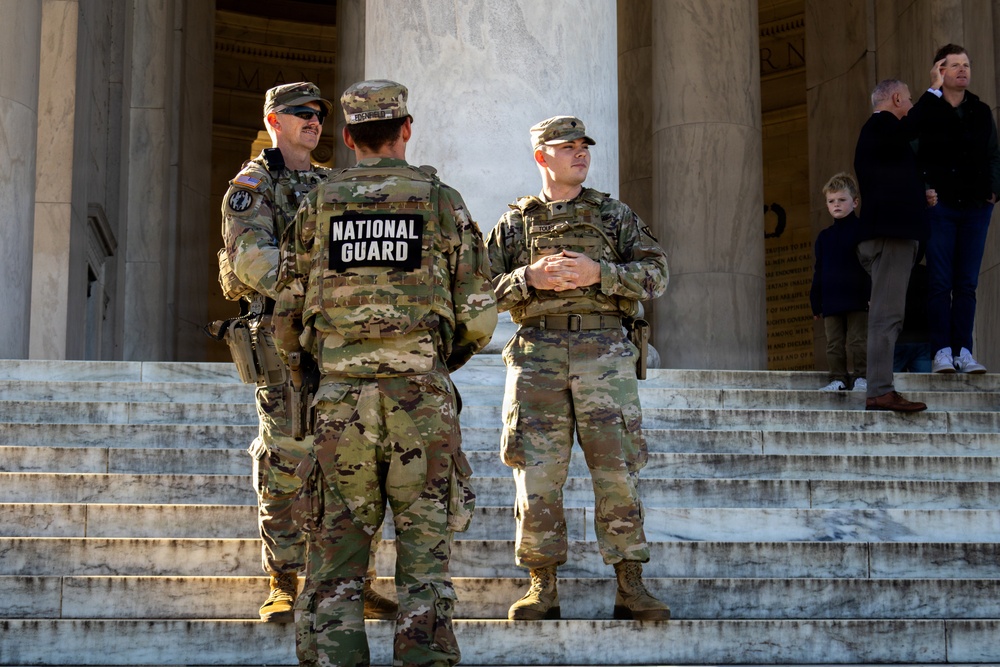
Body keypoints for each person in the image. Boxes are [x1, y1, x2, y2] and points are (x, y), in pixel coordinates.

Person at [272, 79, 498, 667]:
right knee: (425, 565)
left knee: (336, 565)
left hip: (340, 401)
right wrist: (432, 360)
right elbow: (479, 311)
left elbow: (287, 313)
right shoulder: (441, 199)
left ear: (347, 137)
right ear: (406, 130)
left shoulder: (317, 202)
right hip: (421, 399)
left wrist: (322, 369)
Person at [220, 82, 396, 623]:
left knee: (354, 466)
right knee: (285, 463)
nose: (313, 121)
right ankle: (284, 581)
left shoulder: (331, 184)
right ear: (274, 120)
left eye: (319, 114)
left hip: (339, 345)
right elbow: (252, 262)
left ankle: (357, 579)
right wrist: (322, 291)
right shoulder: (252, 186)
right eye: (301, 113)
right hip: (282, 346)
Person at [485, 115, 671, 622]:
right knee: (538, 477)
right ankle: (541, 586)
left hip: (605, 353)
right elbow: (476, 292)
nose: (580, 153)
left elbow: (657, 274)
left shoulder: (614, 216)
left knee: (618, 472)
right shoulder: (514, 225)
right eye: (567, 147)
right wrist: (529, 277)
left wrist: (600, 273)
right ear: (542, 156)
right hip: (536, 355)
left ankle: (630, 584)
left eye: (584, 145)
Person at [913, 44, 1000, 374]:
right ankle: (941, 352)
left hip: (977, 207)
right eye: (955, 65)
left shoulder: (980, 110)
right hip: (941, 207)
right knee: (939, 283)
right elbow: (911, 151)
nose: (963, 70)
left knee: (966, 284)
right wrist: (923, 190)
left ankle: (964, 350)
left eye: (966, 64)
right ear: (941, 70)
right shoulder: (928, 110)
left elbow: (994, 154)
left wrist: (993, 192)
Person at [853, 79, 930, 412]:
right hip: (890, 237)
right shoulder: (882, 124)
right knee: (887, 318)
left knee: (887, 315)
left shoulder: (881, 134)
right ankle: (880, 391)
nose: (911, 106)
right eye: (910, 100)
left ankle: (880, 389)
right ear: (897, 98)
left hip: (890, 234)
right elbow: (912, 126)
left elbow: (891, 178)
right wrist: (935, 91)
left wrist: (920, 196)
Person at [810, 172, 870, 392]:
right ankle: (838, 378)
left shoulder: (863, 230)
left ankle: (862, 377)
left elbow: (870, 266)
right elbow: (820, 270)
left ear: (854, 202)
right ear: (826, 205)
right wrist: (815, 299)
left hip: (858, 296)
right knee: (834, 342)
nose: (836, 204)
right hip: (832, 298)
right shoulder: (824, 237)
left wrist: (870, 294)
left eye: (842, 200)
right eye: (831, 201)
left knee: (858, 340)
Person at [894, 262, 932, 373]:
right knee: (923, 387)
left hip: (897, 339)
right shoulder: (927, 272)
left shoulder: (892, 272)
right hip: (923, 339)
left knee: (891, 385)